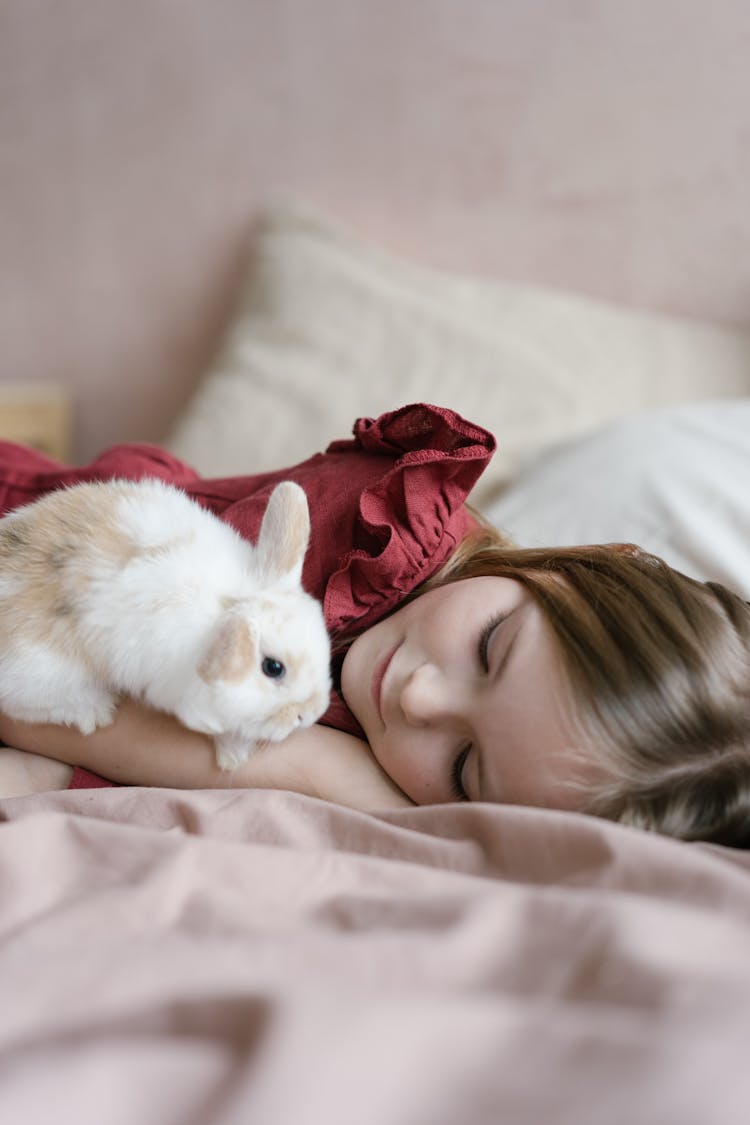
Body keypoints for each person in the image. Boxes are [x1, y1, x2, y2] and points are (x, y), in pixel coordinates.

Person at [0, 404, 748, 848]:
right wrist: (324, 771)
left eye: (463, 766)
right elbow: (39, 707)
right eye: (491, 648)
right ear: (572, 569)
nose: (419, 698)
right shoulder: (367, 533)